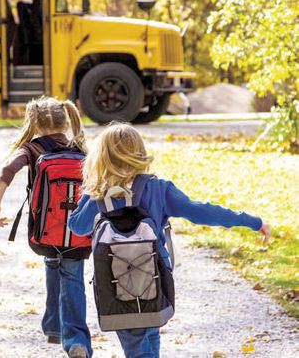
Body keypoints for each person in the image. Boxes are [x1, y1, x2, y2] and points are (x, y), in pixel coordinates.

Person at [68, 123, 271, 358]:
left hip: (116, 288)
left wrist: (90, 192)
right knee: (150, 336)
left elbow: (77, 226)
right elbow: (202, 211)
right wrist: (251, 221)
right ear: (140, 153)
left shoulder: (99, 195)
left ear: (100, 157)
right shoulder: (158, 188)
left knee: (137, 347)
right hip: (155, 282)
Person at [0, 97, 93, 358]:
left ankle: (53, 327)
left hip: (46, 229)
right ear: (66, 121)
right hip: (78, 232)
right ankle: (76, 339)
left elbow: (6, 170)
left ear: (34, 124)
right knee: (73, 278)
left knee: (52, 264)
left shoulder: (31, 148)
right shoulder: (80, 148)